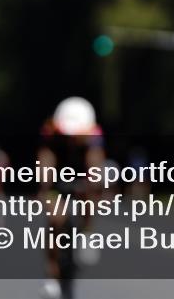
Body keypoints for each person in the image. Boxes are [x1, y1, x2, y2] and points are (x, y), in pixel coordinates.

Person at [37, 97, 106, 299]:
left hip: (80, 178)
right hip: (58, 180)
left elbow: (95, 164)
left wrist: (93, 182)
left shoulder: (93, 134)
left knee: (91, 194)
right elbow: (45, 162)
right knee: (55, 220)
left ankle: (87, 230)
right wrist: (45, 185)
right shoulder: (50, 131)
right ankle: (51, 275)